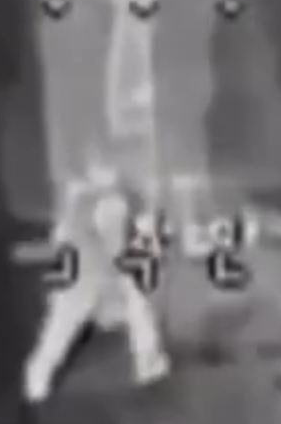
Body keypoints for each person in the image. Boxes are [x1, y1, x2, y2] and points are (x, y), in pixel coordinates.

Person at [22, 161, 171, 404]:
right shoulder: (112, 202)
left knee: (65, 323)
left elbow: (60, 237)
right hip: (94, 271)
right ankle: (148, 363)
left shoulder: (79, 197)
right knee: (133, 308)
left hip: (81, 271)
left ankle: (37, 379)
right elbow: (118, 244)